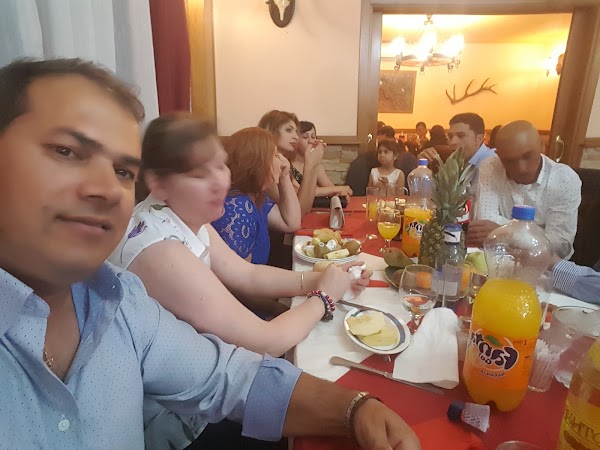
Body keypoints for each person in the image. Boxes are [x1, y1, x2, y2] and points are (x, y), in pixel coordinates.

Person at [0, 58, 420, 450]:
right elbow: (261, 338)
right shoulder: (156, 245)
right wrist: (323, 296)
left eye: (122, 171)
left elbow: (230, 364)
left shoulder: (119, 296)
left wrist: (355, 407)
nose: (107, 188)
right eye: (66, 151)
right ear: (159, 184)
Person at [470, 120, 581, 258]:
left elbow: (560, 245)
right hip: (498, 258)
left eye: (527, 156)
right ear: (498, 155)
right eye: (509, 161)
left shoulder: (564, 179)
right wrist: (539, 234)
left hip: (545, 264)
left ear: (542, 147)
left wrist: (502, 233)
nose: (520, 169)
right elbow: (484, 223)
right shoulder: (491, 167)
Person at [212, 127, 300, 264]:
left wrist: (285, 176)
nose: (282, 161)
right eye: (275, 155)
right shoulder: (238, 208)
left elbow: (291, 223)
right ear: (258, 162)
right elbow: (240, 275)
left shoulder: (254, 195)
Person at [347, 127, 417, 196]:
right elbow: (368, 193)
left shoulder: (399, 174)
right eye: (380, 152)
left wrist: (388, 186)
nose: (382, 155)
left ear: (395, 156)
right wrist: (377, 187)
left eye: (386, 152)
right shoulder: (373, 171)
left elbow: (400, 196)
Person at [293, 120, 353, 199]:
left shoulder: (316, 164)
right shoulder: (288, 165)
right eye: (305, 137)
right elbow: (298, 193)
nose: (310, 141)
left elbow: (329, 187)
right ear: (295, 139)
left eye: (313, 137)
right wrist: (338, 189)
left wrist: (340, 193)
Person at [418, 113, 495, 168]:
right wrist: (423, 166)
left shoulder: (492, 165)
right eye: (450, 136)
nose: (452, 142)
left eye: (461, 136)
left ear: (479, 139)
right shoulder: (457, 162)